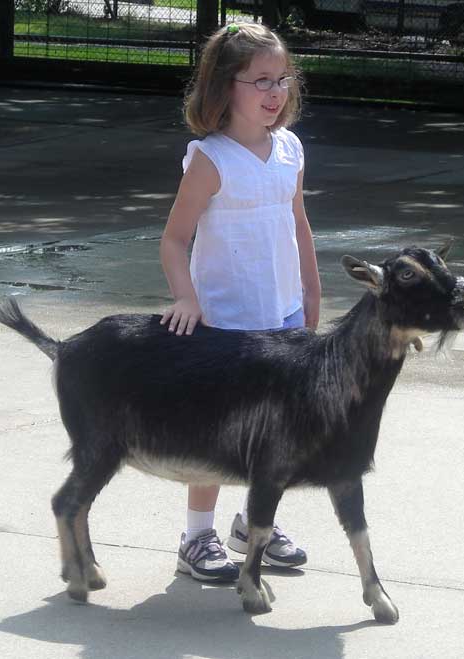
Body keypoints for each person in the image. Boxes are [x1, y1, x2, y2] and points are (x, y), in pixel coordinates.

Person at [159, 22, 321, 582]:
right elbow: (174, 239)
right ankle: (196, 537)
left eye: (282, 79)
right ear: (226, 86)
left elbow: (299, 226)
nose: (275, 93)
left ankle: (257, 523)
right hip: (225, 325)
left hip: (281, 319)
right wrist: (187, 298)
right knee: (216, 433)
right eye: (259, 82)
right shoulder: (211, 159)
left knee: (275, 431)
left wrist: (310, 299)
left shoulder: (290, 149)